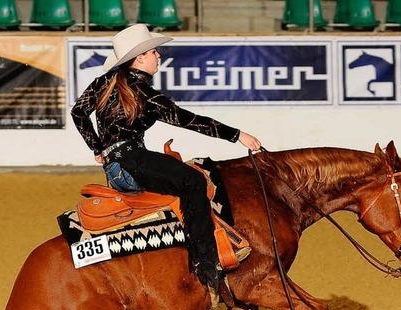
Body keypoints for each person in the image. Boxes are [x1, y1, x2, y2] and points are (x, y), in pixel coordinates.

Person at [71, 24, 261, 295]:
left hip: (116, 168)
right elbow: (187, 120)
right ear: (140, 59)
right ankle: (207, 263)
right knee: (194, 181)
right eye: (153, 52)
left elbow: (78, 112)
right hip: (133, 162)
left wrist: (98, 148)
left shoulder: (104, 82)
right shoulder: (144, 93)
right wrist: (237, 135)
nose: (158, 55)